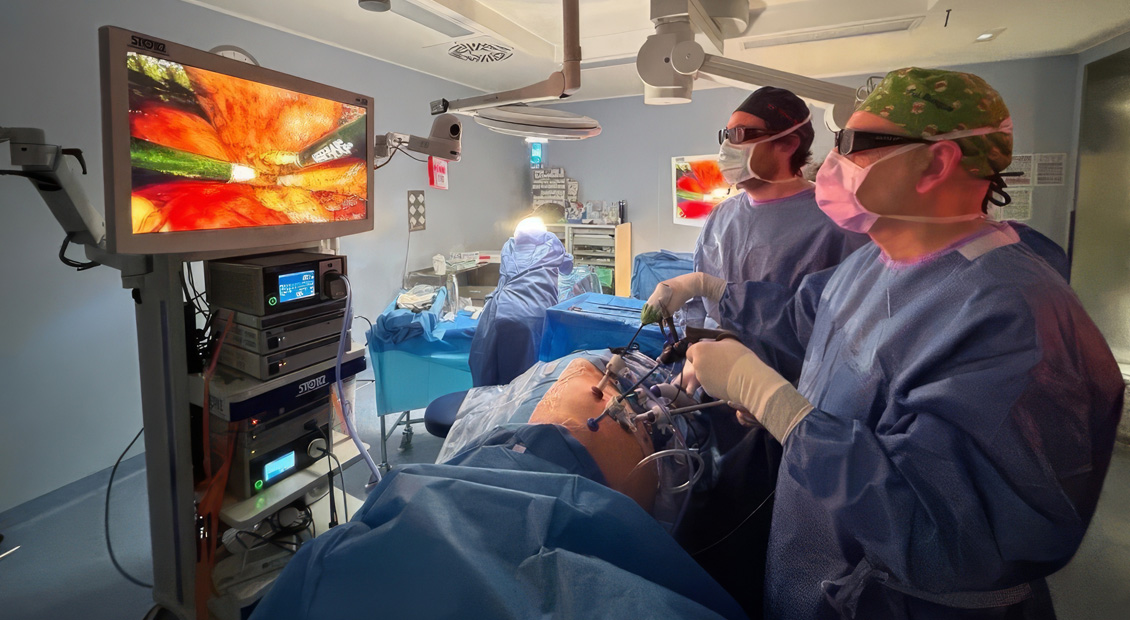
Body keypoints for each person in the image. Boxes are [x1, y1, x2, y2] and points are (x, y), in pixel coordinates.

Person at [677, 68, 1123, 619]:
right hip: (821, 571)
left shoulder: (1014, 317)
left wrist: (782, 409)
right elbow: (800, 320)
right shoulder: (870, 264)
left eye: (856, 145)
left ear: (937, 162)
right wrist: (768, 386)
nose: (833, 162)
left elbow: (951, 535)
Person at [645, 87, 869, 331]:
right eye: (726, 134)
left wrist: (739, 349)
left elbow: (830, 322)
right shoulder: (722, 215)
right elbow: (700, 306)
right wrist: (692, 344)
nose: (727, 145)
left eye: (740, 133)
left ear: (787, 144)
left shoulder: (836, 222)